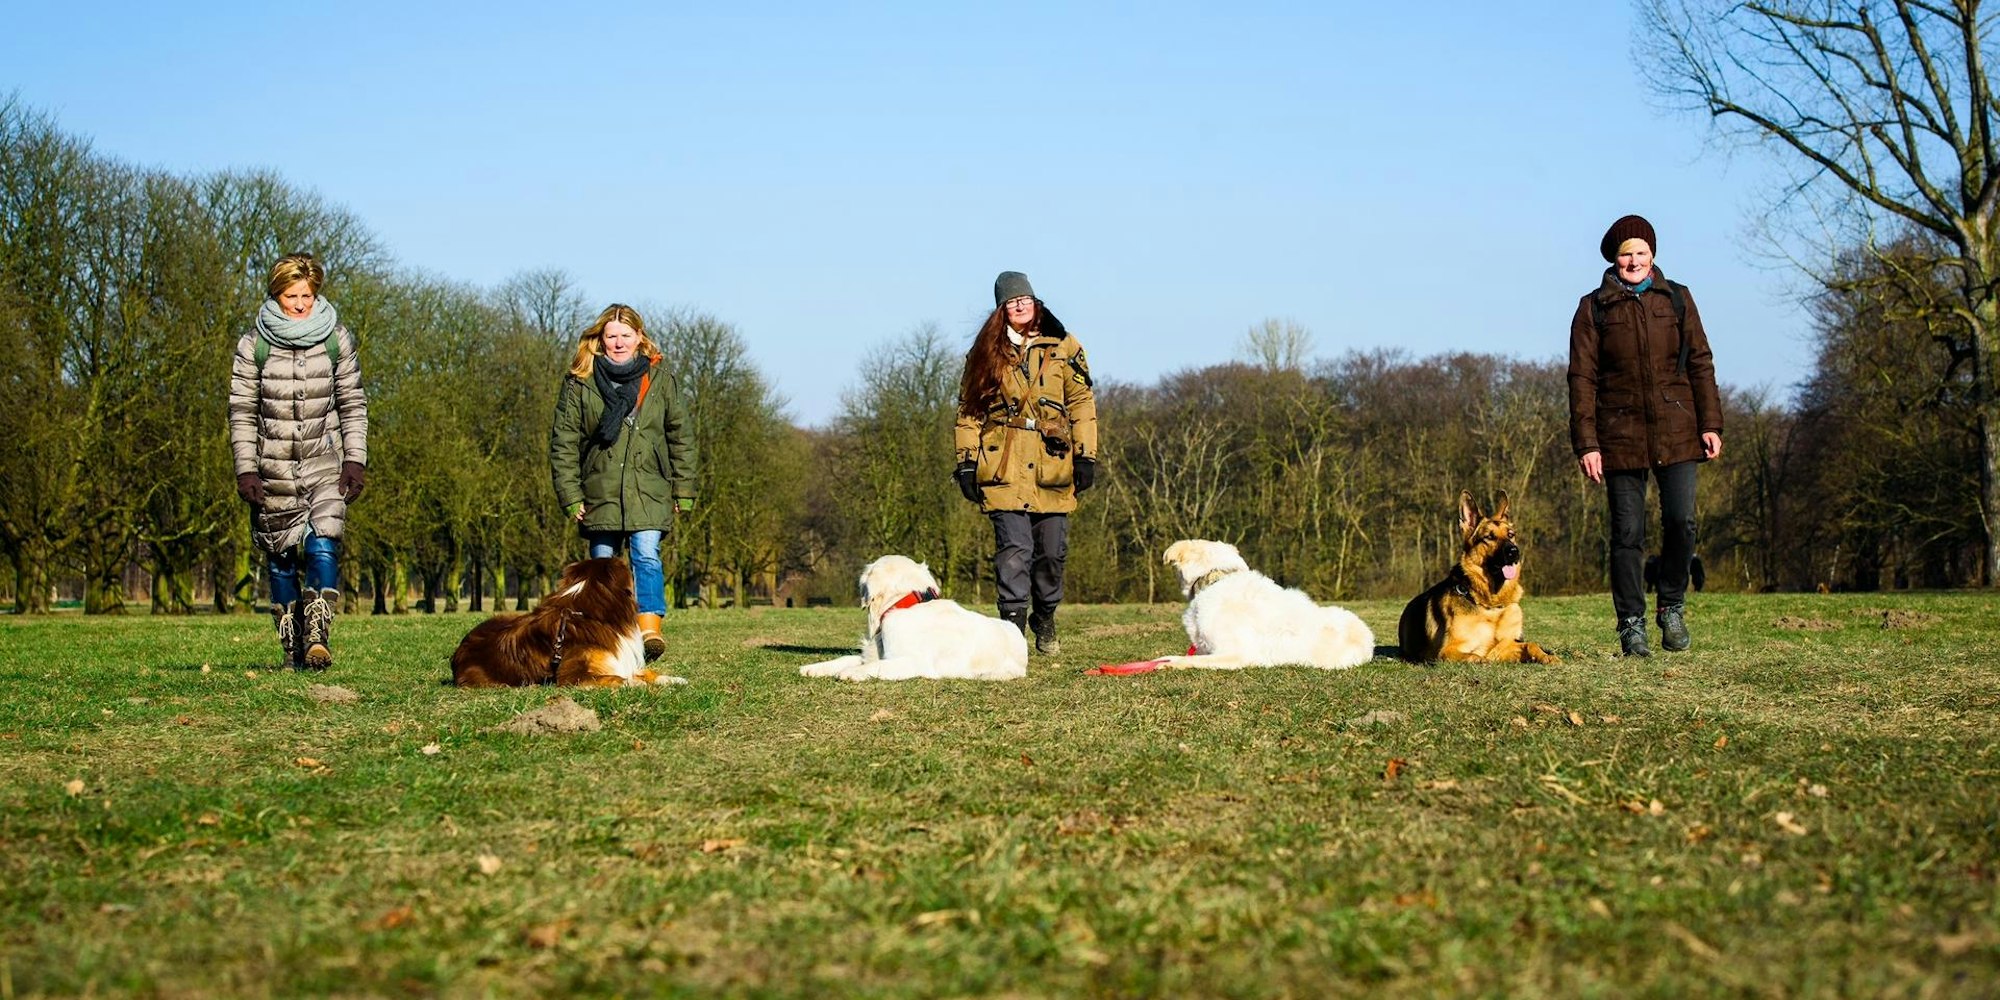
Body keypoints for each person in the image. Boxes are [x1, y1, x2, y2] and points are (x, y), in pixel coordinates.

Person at [1567, 215, 1723, 657]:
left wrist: (1710, 423)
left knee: (1682, 522)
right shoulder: (1593, 308)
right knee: (1627, 534)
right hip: (1619, 434)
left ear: (1652, 254)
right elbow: (1581, 378)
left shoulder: (1677, 299)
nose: (1633, 260)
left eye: (1641, 252)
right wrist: (1588, 443)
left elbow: (1701, 363)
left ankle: (1671, 605)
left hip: (1678, 428)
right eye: (1625, 253)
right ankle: (1630, 623)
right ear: (1613, 260)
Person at [229, 252, 369, 670]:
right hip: (271, 466)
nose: (301, 304)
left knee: (323, 544)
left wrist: (355, 460)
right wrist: (246, 469)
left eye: (307, 295)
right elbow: (241, 410)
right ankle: (292, 648)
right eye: (292, 295)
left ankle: (318, 635)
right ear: (277, 294)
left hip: (324, 462)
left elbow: (353, 403)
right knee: (280, 559)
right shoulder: (253, 345)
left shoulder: (336, 339)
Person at [954, 271, 1099, 655]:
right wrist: (966, 463)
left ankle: (1045, 615)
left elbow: (1082, 403)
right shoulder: (985, 351)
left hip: (1052, 463)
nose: (1019, 304)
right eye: (1010, 301)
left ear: (1036, 302)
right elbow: (969, 412)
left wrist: (1087, 455)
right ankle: (1012, 634)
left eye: (1025, 298)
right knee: (1013, 551)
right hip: (1002, 464)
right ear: (1001, 309)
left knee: (1052, 552)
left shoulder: (1064, 346)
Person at [548, 303, 696, 660]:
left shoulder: (661, 381)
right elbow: (563, 441)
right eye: (611, 336)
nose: (618, 343)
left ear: (639, 338)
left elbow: (681, 436)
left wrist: (684, 488)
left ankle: (648, 630)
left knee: (646, 554)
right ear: (600, 339)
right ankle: (605, 632)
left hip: (650, 486)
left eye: (625, 336)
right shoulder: (579, 383)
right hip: (599, 489)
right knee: (603, 564)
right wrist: (570, 493)